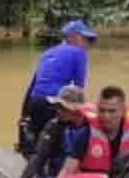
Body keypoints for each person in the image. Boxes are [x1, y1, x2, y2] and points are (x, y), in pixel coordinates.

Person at [45, 85, 129, 178]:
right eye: (102, 110)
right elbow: (68, 170)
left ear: (123, 111)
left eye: (112, 111)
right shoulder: (85, 134)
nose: (106, 116)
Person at [19, 20, 95, 150]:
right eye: (85, 39)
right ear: (72, 37)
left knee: (38, 146)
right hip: (54, 105)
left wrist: (24, 113)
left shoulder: (46, 54)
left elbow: (32, 86)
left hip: (34, 103)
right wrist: (83, 115)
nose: (87, 43)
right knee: (59, 146)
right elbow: (78, 88)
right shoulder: (79, 53)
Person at [16, 84, 89, 178]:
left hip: (82, 177)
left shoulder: (90, 128)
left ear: (77, 110)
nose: (59, 111)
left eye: (64, 108)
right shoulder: (54, 126)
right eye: (58, 107)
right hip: (56, 175)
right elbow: (40, 155)